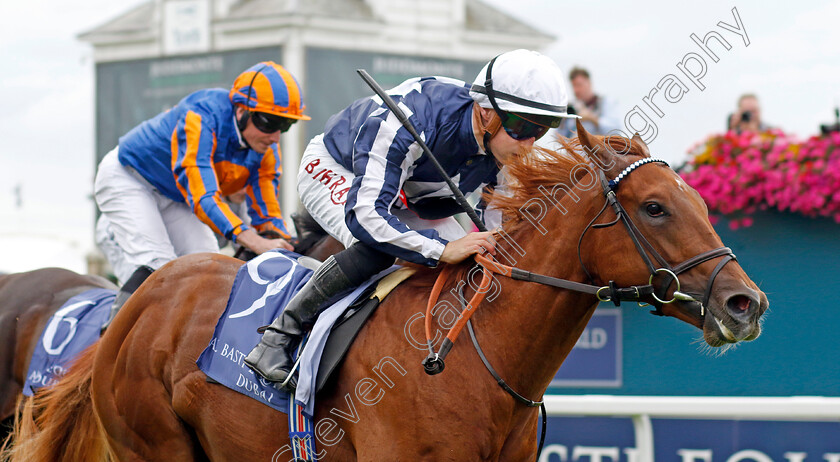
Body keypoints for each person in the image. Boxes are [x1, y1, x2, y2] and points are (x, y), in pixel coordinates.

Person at [244, 49, 576, 391]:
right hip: (337, 168)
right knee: (377, 248)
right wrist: (441, 249)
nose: (530, 143)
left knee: (475, 261)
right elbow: (367, 216)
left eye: (542, 129)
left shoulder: (508, 144)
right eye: (522, 126)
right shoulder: (409, 118)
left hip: (409, 192)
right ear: (486, 112)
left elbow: (500, 229)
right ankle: (279, 337)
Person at [94, 61, 308, 327]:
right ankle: (107, 348)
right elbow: (203, 197)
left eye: (285, 125)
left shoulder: (266, 150)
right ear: (241, 111)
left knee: (209, 266)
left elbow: (268, 215)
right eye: (270, 122)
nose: (275, 136)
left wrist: (286, 245)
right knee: (159, 267)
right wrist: (253, 241)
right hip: (128, 178)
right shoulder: (201, 115)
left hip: (174, 196)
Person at [556, 66, 620, 139]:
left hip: (600, 149)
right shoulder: (572, 108)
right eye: (573, 86)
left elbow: (615, 131)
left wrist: (591, 118)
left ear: (589, 83)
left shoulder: (606, 102)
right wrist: (562, 120)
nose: (576, 90)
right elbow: (559, 138)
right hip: (576, 149)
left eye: (579, 85)